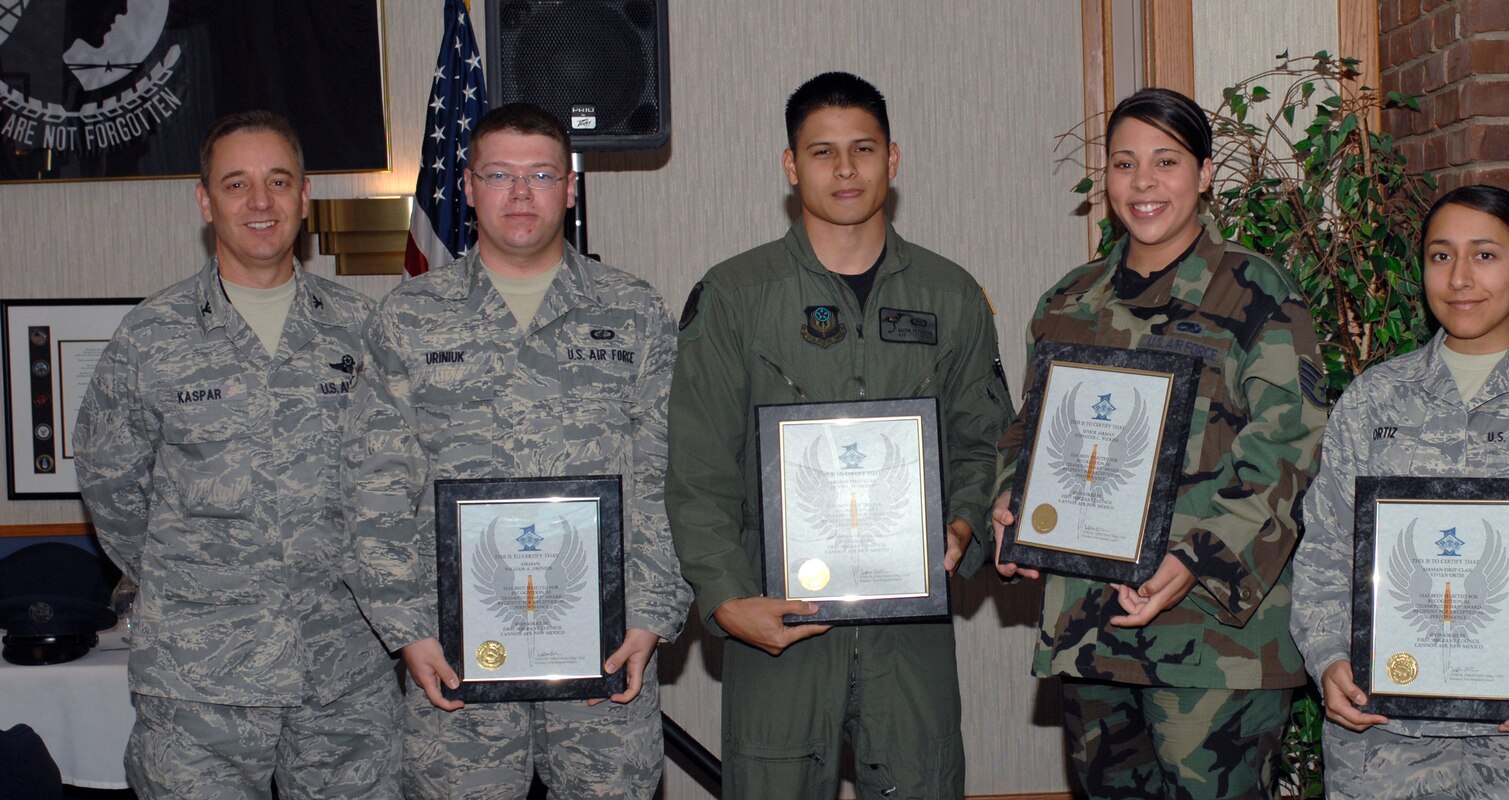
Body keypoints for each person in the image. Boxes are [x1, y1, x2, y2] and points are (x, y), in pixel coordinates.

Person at [665, 71, 1010, 800]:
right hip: (777, 627)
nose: (846, 169)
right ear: (791, 167)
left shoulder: (951, 296)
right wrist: (726, 599)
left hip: (909, 632)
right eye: (822, 152)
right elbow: (699, 468)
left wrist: (962, 523)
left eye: (864, 149)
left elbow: (986, 440)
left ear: (895, 158)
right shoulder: (735, 297)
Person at [342, 102, 689, 798]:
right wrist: (408, 631)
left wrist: (652, 613)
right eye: (500, 174)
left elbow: (670, 475)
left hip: (604, 648)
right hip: (455, 657)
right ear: (467, 187)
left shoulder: (634, 310)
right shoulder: (408, 318)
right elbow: (373, 485)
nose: (521, 193)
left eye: (541, 174)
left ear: (569, 187)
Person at [989, 87, 1328, 799]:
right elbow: (1029, 432)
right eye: (1124, 163)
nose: (1142, 183)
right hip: (1091, 628)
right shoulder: (1068, 302)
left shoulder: (1257, 293)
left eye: (1166, 161)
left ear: (1205, 174)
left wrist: (1195, 560)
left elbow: (1289, 450)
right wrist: (1010, 505)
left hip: (1214, 641)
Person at [74, 111, 398, 798]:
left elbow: (398, 483)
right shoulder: (150, 338)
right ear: (204, 200)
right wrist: (199, 586)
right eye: (236, 184)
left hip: (344, 678)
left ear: (304, 195)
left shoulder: (364, 331)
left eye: (278, 182)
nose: (260, 203)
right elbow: (111, 488)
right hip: (200, 686)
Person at [1289, 185, 1509, 798]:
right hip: (1387, 743)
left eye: (1485, 255)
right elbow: (1322, 554)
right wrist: (1327, 659)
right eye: (1440, 255)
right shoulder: (1373, 402)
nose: (1459, 279)